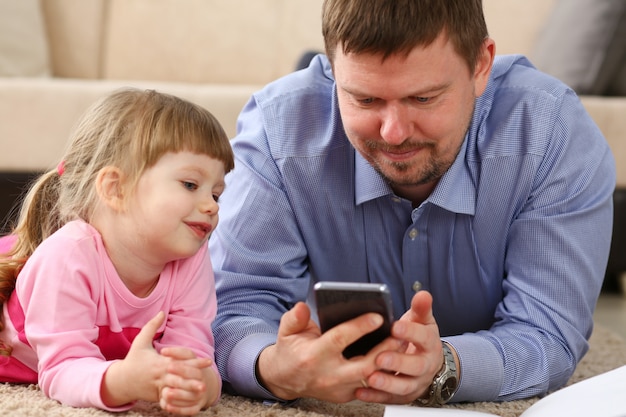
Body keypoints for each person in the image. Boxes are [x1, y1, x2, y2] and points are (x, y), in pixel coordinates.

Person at [208, 0, 615, 407]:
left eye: (423, 99)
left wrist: (446, 366)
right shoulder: (277, 134)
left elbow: (547, 332)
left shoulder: (550, 134)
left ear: (481, 65)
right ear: (333, 70)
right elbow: (233, 305)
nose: (394, 133)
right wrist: (271, 366)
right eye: (364, 100)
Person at [0, 88, 234, 415]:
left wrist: (199, 385)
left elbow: (194, 351)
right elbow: (61, 370)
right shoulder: (68, 256)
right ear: (115, 189)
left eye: (218, 194)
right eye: (191, 185)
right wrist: (121, 381)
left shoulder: (191, 261)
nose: (211, 206)